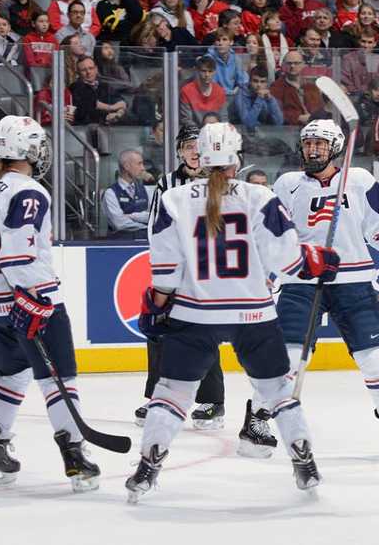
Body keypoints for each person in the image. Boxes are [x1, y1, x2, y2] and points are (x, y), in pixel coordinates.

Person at [125, 122, 331, 502]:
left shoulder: (174, 199)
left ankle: (147, 468)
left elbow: (165, 270)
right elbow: (287, 261)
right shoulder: (259, 196)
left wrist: (157, 303)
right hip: (253, 312)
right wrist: (314, 259)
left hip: (194, 313)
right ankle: (304, 461)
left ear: (201, 158)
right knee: (277, 390)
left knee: (172, 394)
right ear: (237, 158)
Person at [251, 118, 379, 460]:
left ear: (336, 149)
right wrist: (270, 272)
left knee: (374, 359)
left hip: (354, 281)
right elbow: (272, 236)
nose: (313, 149)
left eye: (321, 144)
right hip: (302, 280)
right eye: (308, 142)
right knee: (289, 358)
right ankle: (257, 416)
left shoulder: (359, 181)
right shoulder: (287, 184)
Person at [0, 115, 100, 492]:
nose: (43, 152)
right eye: (38, 144)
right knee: (60, 379)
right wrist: (35, 298)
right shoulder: (28, 190)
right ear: (26, 149)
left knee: (10, 375)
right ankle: (75, 456)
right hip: (30, 300)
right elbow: (18, 255)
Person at [133, 125, 230, 430]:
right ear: (179, 151)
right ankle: (157, 398)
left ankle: (213, 402)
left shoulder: (220, 181)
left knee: (204, 333)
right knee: (160, 329)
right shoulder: (167, 183)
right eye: (187, 146)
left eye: (197, 146)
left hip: (208, 271)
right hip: (175, 269)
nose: (193, 151)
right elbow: (155, 227)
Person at [101, 149, 154, 239]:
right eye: (139, 164)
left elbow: (154, 216)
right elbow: (119, 223)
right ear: (126, 166)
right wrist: (148, 227)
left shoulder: (145, 190)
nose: (143, 168)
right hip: (120, 246)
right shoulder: (110, 193)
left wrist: (132, 216)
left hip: (145, 245)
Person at [270, 50, 325, 126]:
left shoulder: (311, 87)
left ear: (303, 65)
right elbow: (275, 113)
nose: (292, 66)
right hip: (290, 130)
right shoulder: (276, 87)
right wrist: (298, 117)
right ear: (283, 65)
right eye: (289, 63)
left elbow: (320, 110)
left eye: (296, 63)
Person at [69, 55, 128, 125]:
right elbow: (91, 105)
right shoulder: (75, 87)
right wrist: (112, 108)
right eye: (84, 70)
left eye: (91, 68)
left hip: (108, 127)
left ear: (96, 69)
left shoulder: (105, 86)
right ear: (78, 73)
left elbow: (122, 102)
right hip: (85, 128)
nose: (88, 72)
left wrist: (118, 114)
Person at [179, 55, 227, 127]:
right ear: (197, 71)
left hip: (215, 132)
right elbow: (186, 119)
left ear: (214, 72)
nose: (207, 75)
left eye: (210, 71)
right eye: (203, 71)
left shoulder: (220, 91)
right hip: (194, 132)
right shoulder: (186, 90)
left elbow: (223, 118)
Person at [229, 65, 283, 130]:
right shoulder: (240, 96)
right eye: (255, 81)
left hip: (264, 134)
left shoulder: (268, 95)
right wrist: (259, 99)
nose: (259, 85)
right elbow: (248, 124)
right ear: (249, 81)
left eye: (262, 82)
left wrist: (271, 100)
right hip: (242, 133)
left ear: (267, 83)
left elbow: (279, 122)